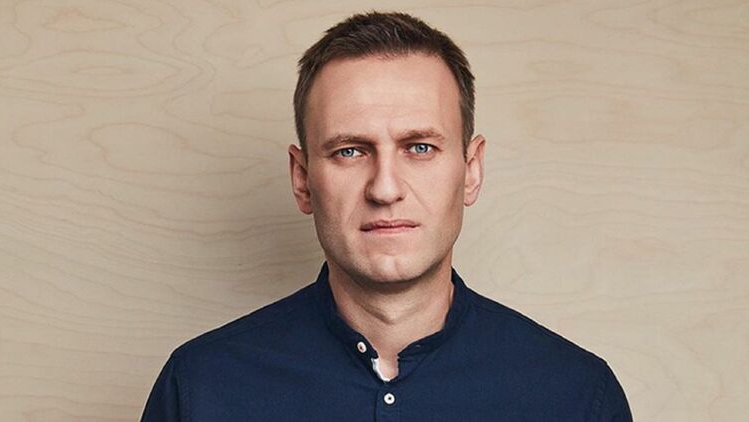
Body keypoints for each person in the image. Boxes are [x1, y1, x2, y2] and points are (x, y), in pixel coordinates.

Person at [141, 11, 632, 421]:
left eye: (419, 147)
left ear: (471, 171)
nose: (385, 188)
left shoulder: (577, 396)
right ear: (302, 178)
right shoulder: (200, 387)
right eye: (350, 151)